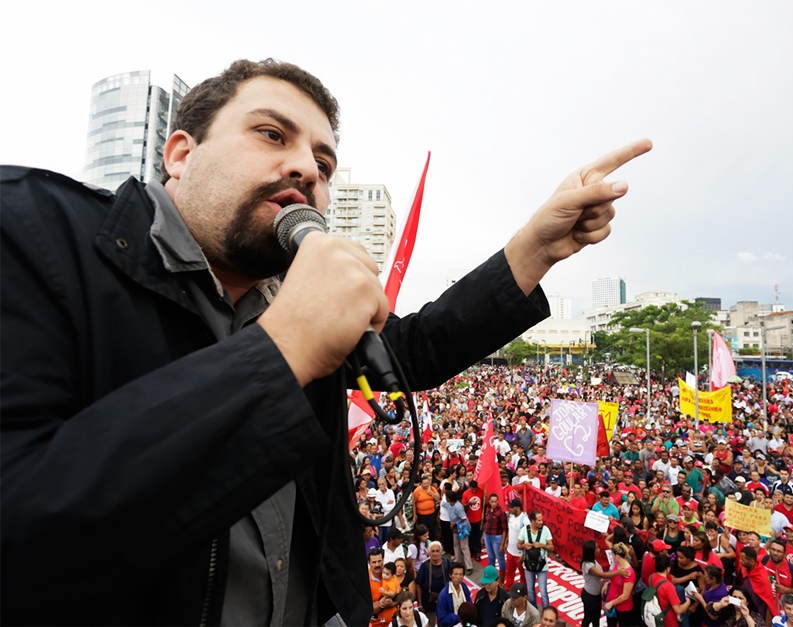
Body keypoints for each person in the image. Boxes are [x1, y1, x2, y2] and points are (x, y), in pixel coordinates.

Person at [1, 55, 653, 624]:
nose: (305, 168)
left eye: (323, 160)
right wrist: (282, 350)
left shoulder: (284, 298)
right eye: (270, 133)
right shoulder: (34, 237)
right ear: (180, 152)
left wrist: (533, 249)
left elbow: (413, 347)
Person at [580, 539, 628, 627]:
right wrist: (618, 572)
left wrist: (606, 583)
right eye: (597, 548)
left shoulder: (593, 561)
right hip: (590, 596)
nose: (599, 549)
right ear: (592, 551)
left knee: (596, 617)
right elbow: (602, 575)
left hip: (597, 594)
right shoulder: (588, 565)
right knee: (588, 617)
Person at [518, 510, 553, 608]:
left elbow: (551, 547)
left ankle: (546, 612)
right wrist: (524, 546)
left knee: (543, 592)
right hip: (528, 566)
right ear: (532, 521)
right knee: (530, 590)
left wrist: (541, 545)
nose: (541, 522)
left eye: (541, 520)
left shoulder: (545, 530)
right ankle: (534, 611)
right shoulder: (524, 530)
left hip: (542, 567)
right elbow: (518, 545)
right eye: (539, 520)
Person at [650, 552, 692, 627]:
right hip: (669, 621)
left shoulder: (651, 577)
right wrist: (688, 602)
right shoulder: (668, 586)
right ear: (668, 568)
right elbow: (679, 610)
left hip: (657, 616)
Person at [602, 542, 637, 627]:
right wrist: (608, 582)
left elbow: (625, 595)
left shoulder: (629, 573)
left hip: (623, 609)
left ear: (617, 556)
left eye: (613, 555)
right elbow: (615, 578)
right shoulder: (618, 564)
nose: (612, 557)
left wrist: (611, 603)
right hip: (612, 603)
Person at [417, 541, 451, 619]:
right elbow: (418, 586)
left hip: (445, 601)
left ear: (441, 552)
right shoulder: (424, 566)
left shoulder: (447, 563)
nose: (435, 553)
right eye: (432, 551)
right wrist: (420, 604)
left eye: (437, 551)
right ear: (429, 553)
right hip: (428, 602)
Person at [443, 491, 474, 573]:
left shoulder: (458, 507)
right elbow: (441, 502)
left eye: (446, 497)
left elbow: (463, 518)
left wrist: (454, 523)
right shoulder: (449, 504)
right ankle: (458, 560)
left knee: (464, 547)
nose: (445, 498)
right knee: (456, 544)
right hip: (455, 529)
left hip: (462, 528)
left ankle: (469, 566)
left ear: (449, 498)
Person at [483, 494, 509, 586]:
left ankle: (501, 580)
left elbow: (505, 529)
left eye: (495, 501)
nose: (493, 503)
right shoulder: (487, 509)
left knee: (500, 559)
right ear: (489, 501)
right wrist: (483, 535)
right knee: (490, 557)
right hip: (487, 535)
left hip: (497, 537)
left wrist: (503, 543)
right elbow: (486, 523)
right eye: (492, 501)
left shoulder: (501, 512)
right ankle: (491, 577)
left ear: (497, 502)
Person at [437, 562, 472, 627]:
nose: (458, 577)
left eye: (460, 574)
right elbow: (442, 618)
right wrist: (458, 618)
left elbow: (469, 603)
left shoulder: (464, 586)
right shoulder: (444, 594)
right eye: (455, 574)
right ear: (450, 575)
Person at [505, 499, 530, 589]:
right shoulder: (511, 516)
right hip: (510, 551)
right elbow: (510, 530)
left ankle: (522, 592)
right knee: (509, 573)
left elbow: (528, 539)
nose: (510, 509)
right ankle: (508, 589)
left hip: (519, 555)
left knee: (523, 575)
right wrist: (506, 543)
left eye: (512, 507)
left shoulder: (525, 520)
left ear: (518, 508)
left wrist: (523, 555)